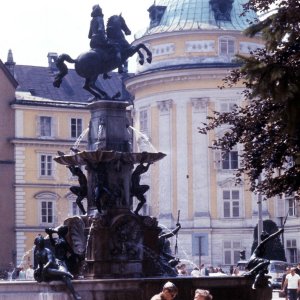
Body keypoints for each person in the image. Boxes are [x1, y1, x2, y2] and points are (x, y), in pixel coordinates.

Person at [33, 234, 81, 300]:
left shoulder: (47, 251)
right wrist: (38, 270)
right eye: (40, 242)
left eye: (41, 241)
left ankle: (75, 294)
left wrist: (45, 267)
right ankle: (67, 273)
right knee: (49, 270)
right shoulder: (37, 253)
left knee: (66, 278)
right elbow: (40, 264)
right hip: (48, 271)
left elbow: (50, 262)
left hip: (57, 267)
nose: (40, 243)